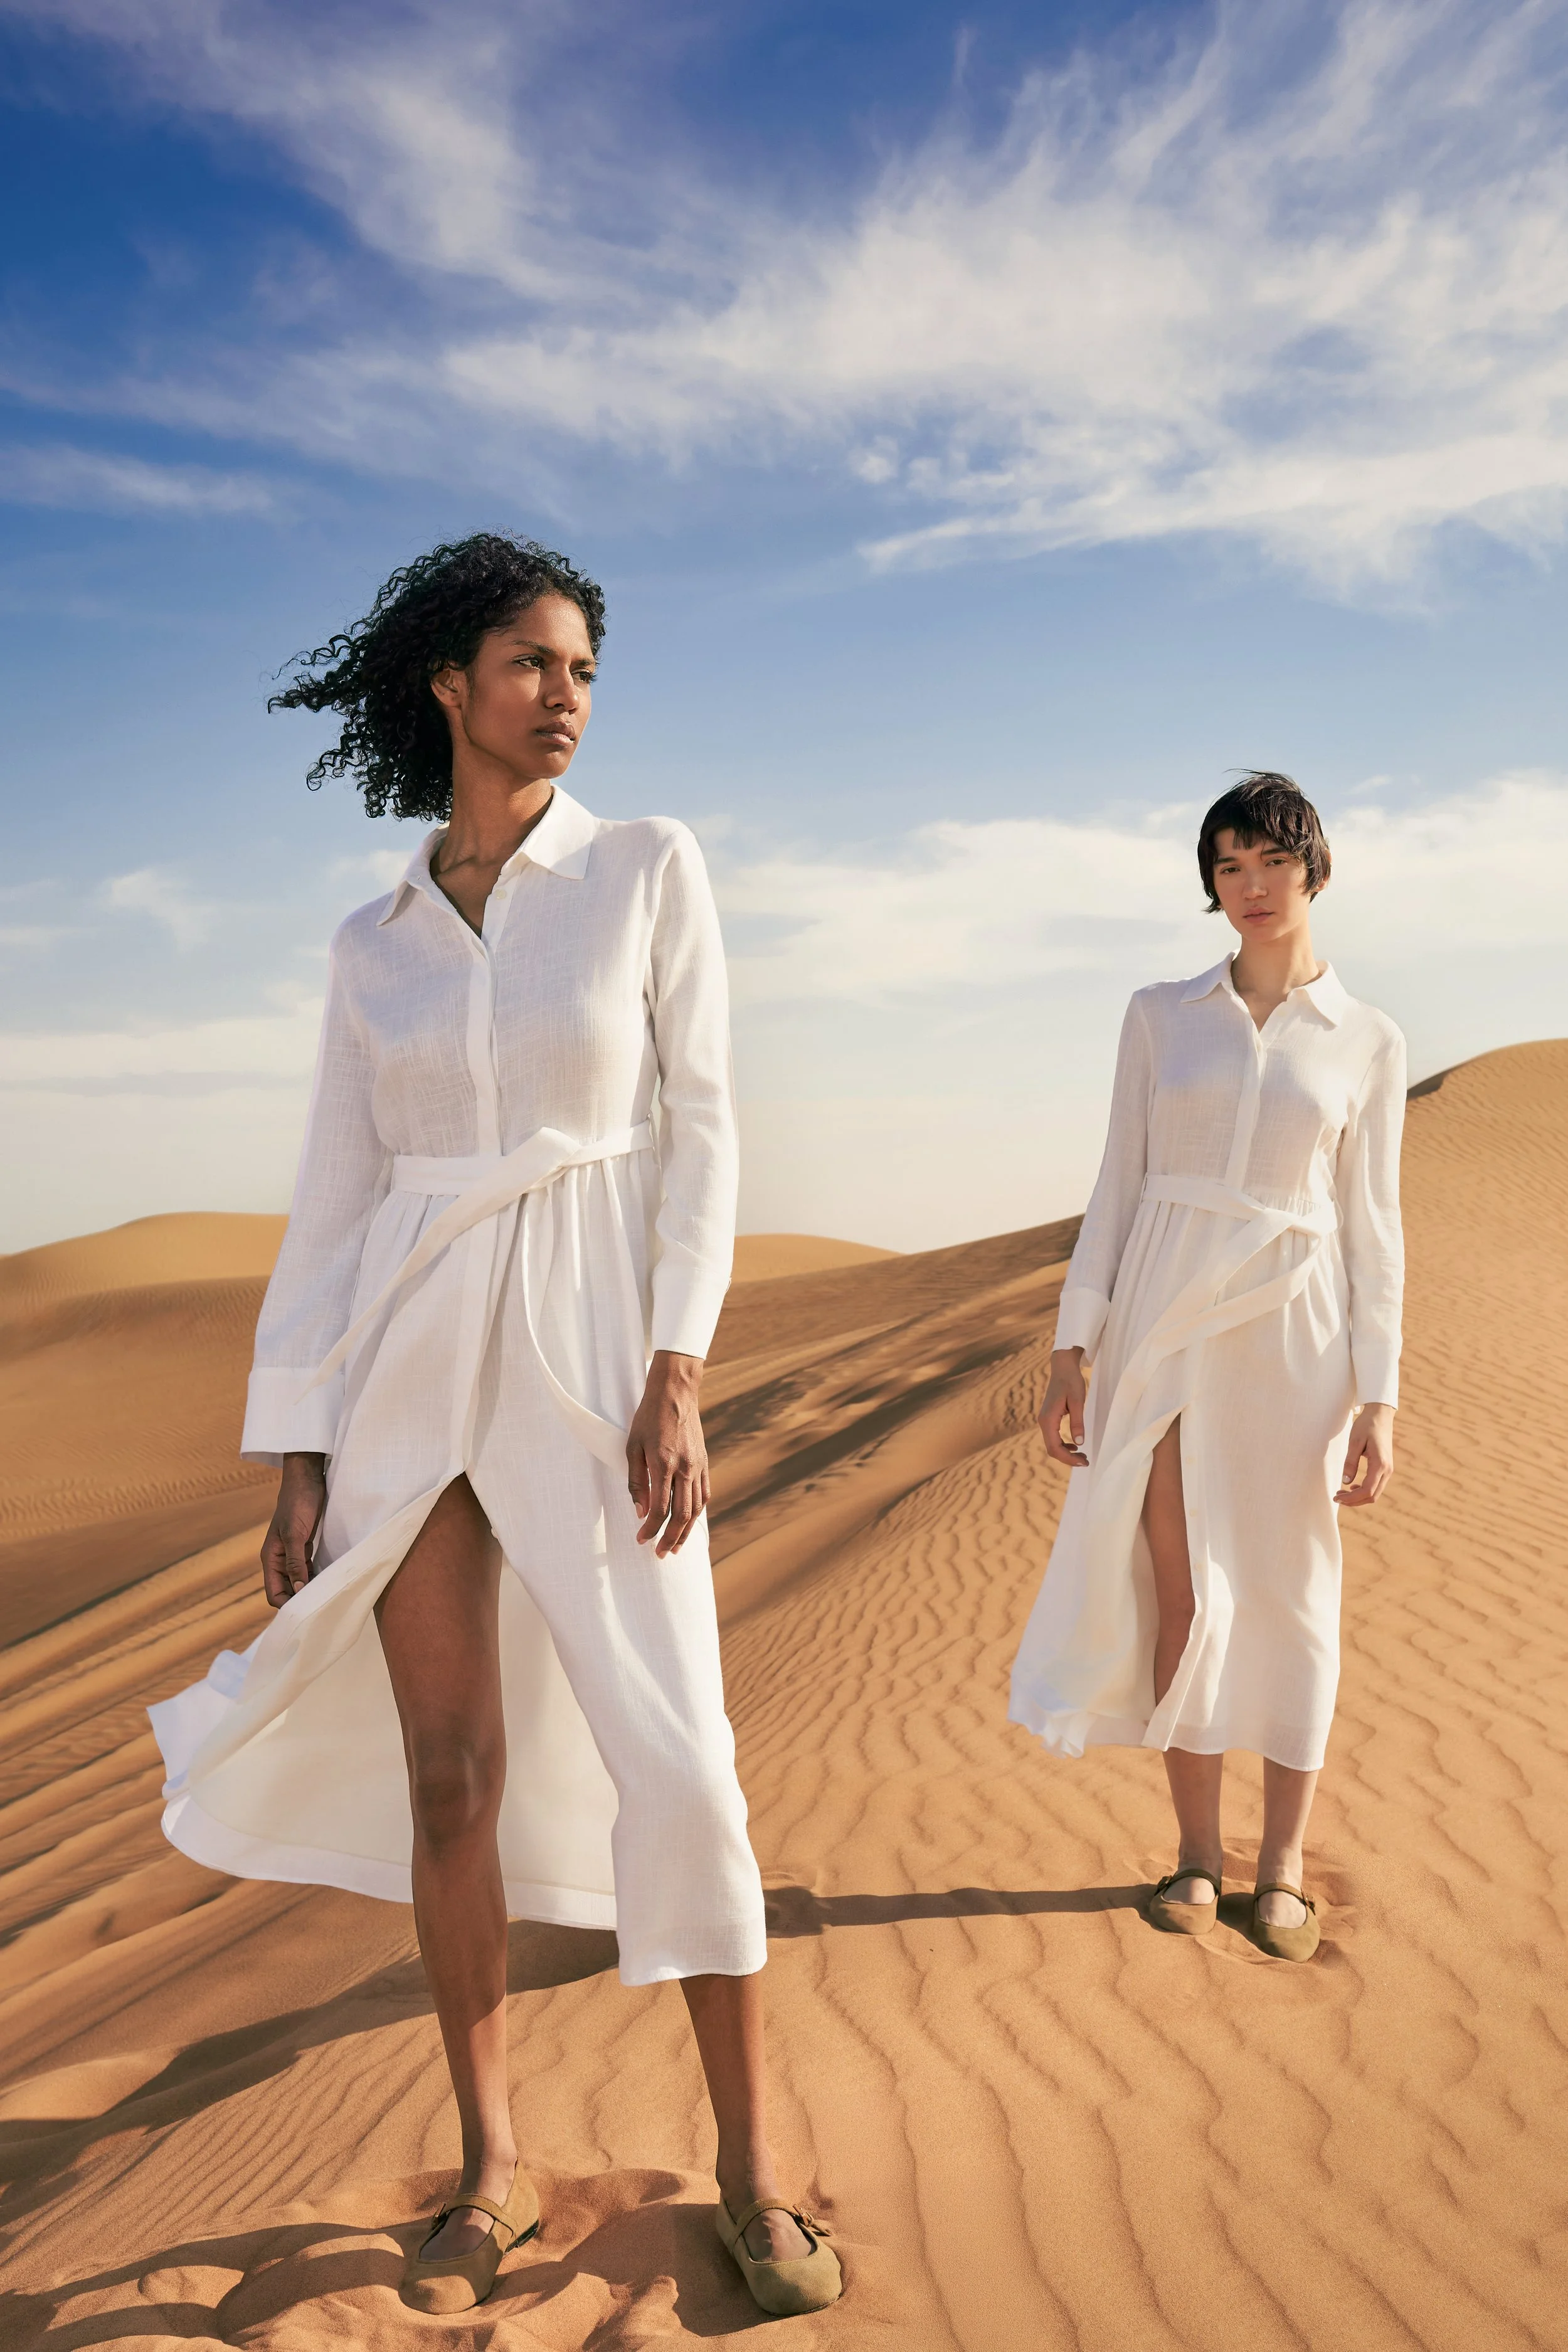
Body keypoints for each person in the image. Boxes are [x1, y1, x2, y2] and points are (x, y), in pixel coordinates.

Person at [148, 534, 841, 2318]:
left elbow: (706, 1122)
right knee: (444, 1774)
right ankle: (490, 2159)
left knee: (677, 1753)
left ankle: (760, 2174)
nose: (568, 695)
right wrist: (295, 1445)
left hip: (594, 1343)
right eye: (534, 662)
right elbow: (333, 1189)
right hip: (405, 1351)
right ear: (448, 684)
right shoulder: (368, 939)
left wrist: (677, 1359)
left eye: (585, 668)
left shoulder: (641, 867)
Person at [1010, 772, 1404, 1963]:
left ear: (1314, 868)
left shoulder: (1370, 1038)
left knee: (1292, 1593)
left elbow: (1373, 1226)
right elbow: (1117, 1186)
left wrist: (1381, 1392)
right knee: (1183, 1593)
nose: (1252, 887)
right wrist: (1074, 1343)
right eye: (1228, 867)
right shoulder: (1158, 1014)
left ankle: (1280, 1865)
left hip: (1298, 1332)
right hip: (1163, 1323)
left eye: (1272, 862)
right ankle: (1195, 1853)